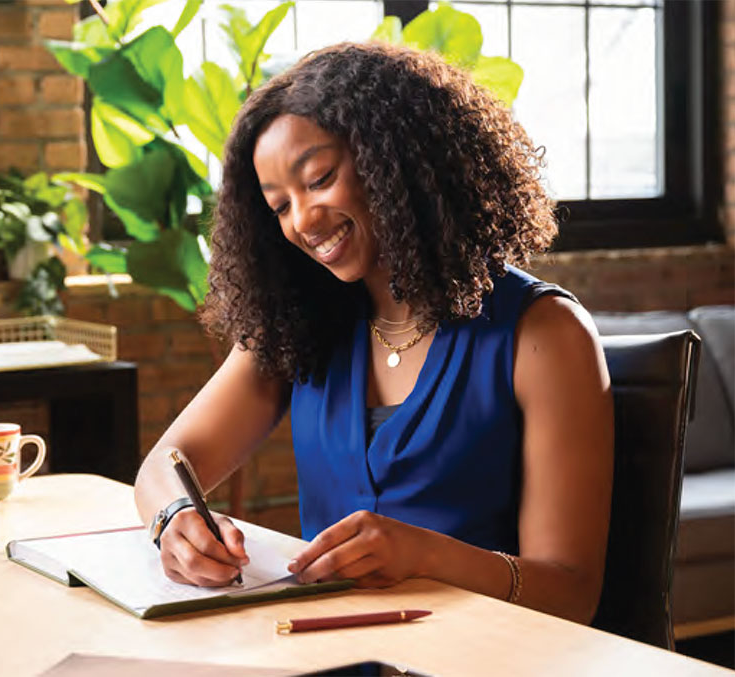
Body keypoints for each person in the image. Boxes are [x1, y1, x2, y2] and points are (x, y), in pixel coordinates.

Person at [133, 41, 614, 625]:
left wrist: (428, 556)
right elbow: (165, 467)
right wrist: (174, 519)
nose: (303, 222)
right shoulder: (302, 327)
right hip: (327, 654)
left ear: (398, 159)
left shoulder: (544, 334)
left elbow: (571, 594)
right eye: (279, 206)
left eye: (320, 179)